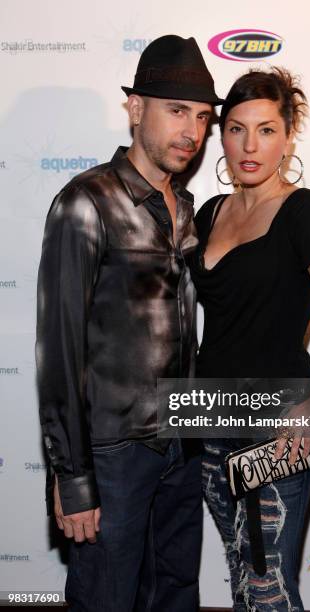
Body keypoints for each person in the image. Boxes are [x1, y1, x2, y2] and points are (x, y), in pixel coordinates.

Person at [36, 35, 223, 612]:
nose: (191, 132)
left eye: (200, 117)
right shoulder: (87, 201)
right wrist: (73, 476)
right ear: (136, 108)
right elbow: (59, 351)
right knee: (106, 599)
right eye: (175, 110)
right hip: (114, 453)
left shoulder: (189, 210)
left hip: (182, 446)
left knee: (174, 595)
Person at [190, 68, 310, 611]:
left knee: (269, 592)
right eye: (237, 129)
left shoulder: (302, 210)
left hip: (276, 428)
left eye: (266, 130)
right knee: (243, 581)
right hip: (211, 419)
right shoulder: (210, 212)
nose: (249, 145)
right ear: (221, 136)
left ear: (289, 136)